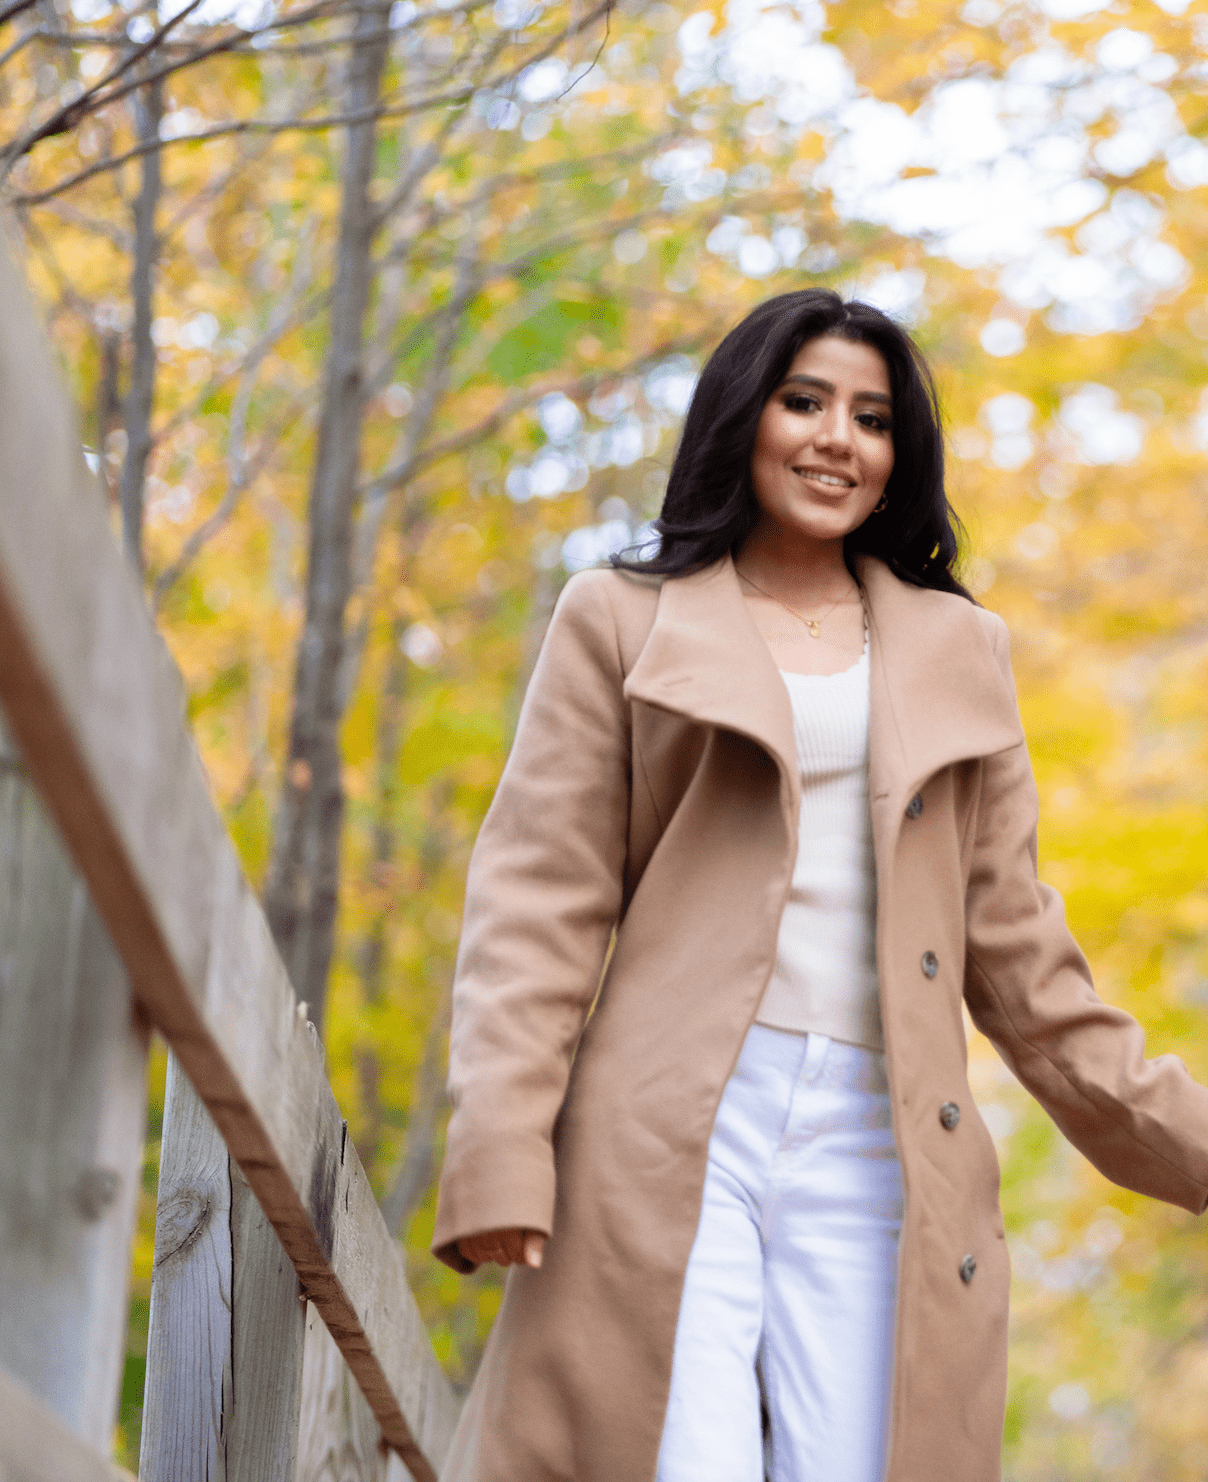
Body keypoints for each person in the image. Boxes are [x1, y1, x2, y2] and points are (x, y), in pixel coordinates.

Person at [429, 289, 1208, 1482]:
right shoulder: (620, 621)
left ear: (899, 457)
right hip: (670, 1126)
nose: (836, 438)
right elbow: (538, 906)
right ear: (744, 417)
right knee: (671, 1456)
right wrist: (499, 1144)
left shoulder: (961, 652)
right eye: (803, 403)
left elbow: (1025, 966)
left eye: (872, 417)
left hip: (881, 1138)